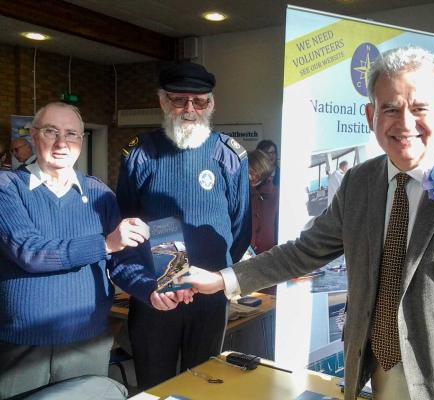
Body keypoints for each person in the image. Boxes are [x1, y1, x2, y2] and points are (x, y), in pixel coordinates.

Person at [182, 47, 434, 399]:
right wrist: (222, 279)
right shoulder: (358, 183)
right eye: (390, 108)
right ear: (370, 115)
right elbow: (304, 251)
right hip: (371, 377)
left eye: (419, 108)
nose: (405, 123)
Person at [0, 102, 187, 399]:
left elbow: (122, 263)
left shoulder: (100, 193)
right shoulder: (7, 186)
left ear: (80, 141)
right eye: (51, 131)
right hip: (23, 343)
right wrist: (105, 243)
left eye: (71, 134)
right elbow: (29, 251)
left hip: (88, 341)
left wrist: (151, 290)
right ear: (34, 136)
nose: (62, 143)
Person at [116, 61, 251, 389]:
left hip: (208, 299)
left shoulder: (230, 156)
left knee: (202, 386)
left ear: (211, 105)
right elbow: (125, 229)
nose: (189, 109)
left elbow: (240, 229)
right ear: (163, 102)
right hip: (155, 297)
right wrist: (150, 285)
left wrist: (214, 278)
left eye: (199, 101)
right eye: (179, 100)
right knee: (153, 385)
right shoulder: (140, 154)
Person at [248, 149, 279, 255]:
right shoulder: (240, 195)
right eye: (247, 172)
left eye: (253, 172)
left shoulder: (277, 194)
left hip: (270, 257)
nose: (249, 176)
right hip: (244, 258)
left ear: (262, 169)